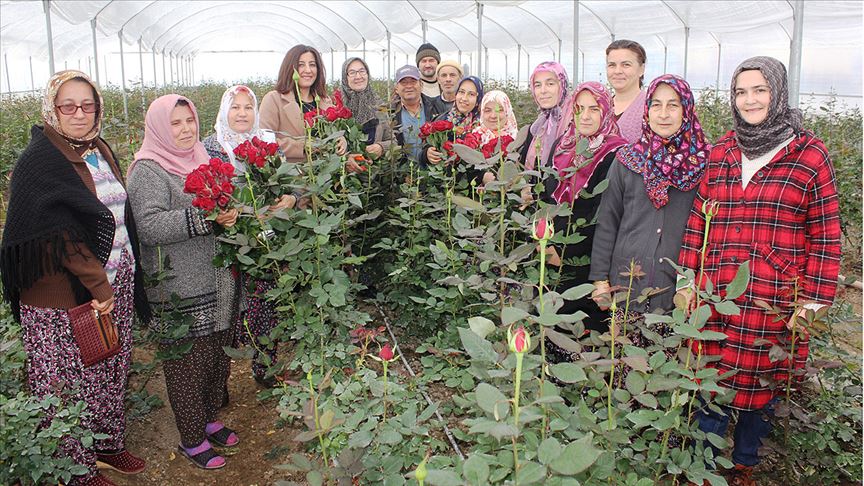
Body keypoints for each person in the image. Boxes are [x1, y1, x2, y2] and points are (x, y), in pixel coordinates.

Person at [678, 57, 841, 483]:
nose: (749, 100)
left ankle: (745, 462)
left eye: (759, 90)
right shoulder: (722, 153)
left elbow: (825, 236)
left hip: (773, 297)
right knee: (710, 381)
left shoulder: (809, 155)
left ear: (778, 92)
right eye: (740, 92)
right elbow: (699, 220)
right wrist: (686, 280)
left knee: (762, 385)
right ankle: (702, 465)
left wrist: (813, 302)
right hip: (717, 291)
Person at [0, 70, 149, 486]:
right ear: (53, 109)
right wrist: (99, 285)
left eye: (88, 104)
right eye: (69, 106)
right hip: (62, 294)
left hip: (112, 279)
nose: (80, 113)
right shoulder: (41, 160)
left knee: (109, 363)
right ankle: (75, 468)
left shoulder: (97, 148)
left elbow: (115, 211)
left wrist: (121, 277)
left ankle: (107, 444)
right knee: (65, 378)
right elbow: (59, 235)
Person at [127, 94, 241, 470]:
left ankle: (209, 418)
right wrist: (204, 217)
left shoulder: (205, 158)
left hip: (217, 275)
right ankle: (192, 437)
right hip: (179, 287)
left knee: (215, 355)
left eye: (189, 121)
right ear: (160, 127)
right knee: (187, 364)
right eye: (175, 123)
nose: (185, 129)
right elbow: (148, 226)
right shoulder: (148, 169)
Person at [589, 74, 710, 315]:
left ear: (686, 110)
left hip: (678, 291)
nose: (663, 114)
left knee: (670, 350)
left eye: (673, 105)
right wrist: (600, 279)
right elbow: (608, 221)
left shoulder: (705, 164)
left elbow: (712, 233)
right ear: (647, 110)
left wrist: (697, 283)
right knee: (624, 350)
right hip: (626, 282)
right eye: (656, 104)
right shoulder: (628, 161)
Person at [202, 85, 296, 387]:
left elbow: (289, 182)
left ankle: (264, 366)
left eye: (247, 107)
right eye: (235, 107)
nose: (242, 113)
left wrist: (291, 198)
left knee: (266, 303)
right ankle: (220, 381)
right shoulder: (210, 147)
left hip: (266, 239)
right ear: (224, 111)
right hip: (228, 241)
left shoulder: (267, 143)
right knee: (227, 308)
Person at [544, 82, 627, 334]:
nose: (586, 116)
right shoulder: (563, 145)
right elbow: (547, 197)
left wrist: (566, 251)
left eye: (594, 109)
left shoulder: (616, 152)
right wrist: (548, 243)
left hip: (588, 258)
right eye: (579, 109)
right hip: (552, 252)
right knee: (552, 322)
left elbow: (604, 214)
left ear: (606, 111)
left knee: (580, 327)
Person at [259, 44, 346, 162]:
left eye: (312, 65)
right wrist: (302, 145)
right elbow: (264, 141)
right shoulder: (274, 99)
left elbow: (331, 135)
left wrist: (340, 139)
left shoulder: (325, 101)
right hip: (292, 176)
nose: (308, 70)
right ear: (290, 67)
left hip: (325, 175)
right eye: (301, 65)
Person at [519, 62, 572, 207]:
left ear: (562, 85)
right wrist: (524, 189)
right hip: (536, 207)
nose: (543, 91)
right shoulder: (538, 126)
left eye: (550, 83)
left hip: (561, 209)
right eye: (537, 85)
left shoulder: (574, 126)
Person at [337, 57, 394, 172]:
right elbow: (332, 147)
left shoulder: (379, 106)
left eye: (362, 71)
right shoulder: (337, 106)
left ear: (367, 74)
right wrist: (345, 159)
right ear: (345, 77)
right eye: (352, 72)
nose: (358, 76)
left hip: (374, 175)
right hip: (344, 177)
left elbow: (393, 141)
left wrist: (381, 147)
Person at [422, 76, 484, 167]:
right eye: (461, 92)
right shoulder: (442, 120)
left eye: (471, 94)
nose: (464, 98)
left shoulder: (483, 126)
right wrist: (427, 154)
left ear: (478, 100)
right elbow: (425, 147)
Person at [391, 64, 446, 165]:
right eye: (403, 82)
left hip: (432, 172)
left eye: (413, 81)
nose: (409, 86)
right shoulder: (389, 114)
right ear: (396, 88)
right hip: (402, 175)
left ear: (421, 85)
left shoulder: (436, 107)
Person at [606, 40, 648, 143]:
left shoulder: (651, 107)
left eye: (626, 65)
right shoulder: (601, 106)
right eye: (612, 65)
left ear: (641, 69)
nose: (617, 71)